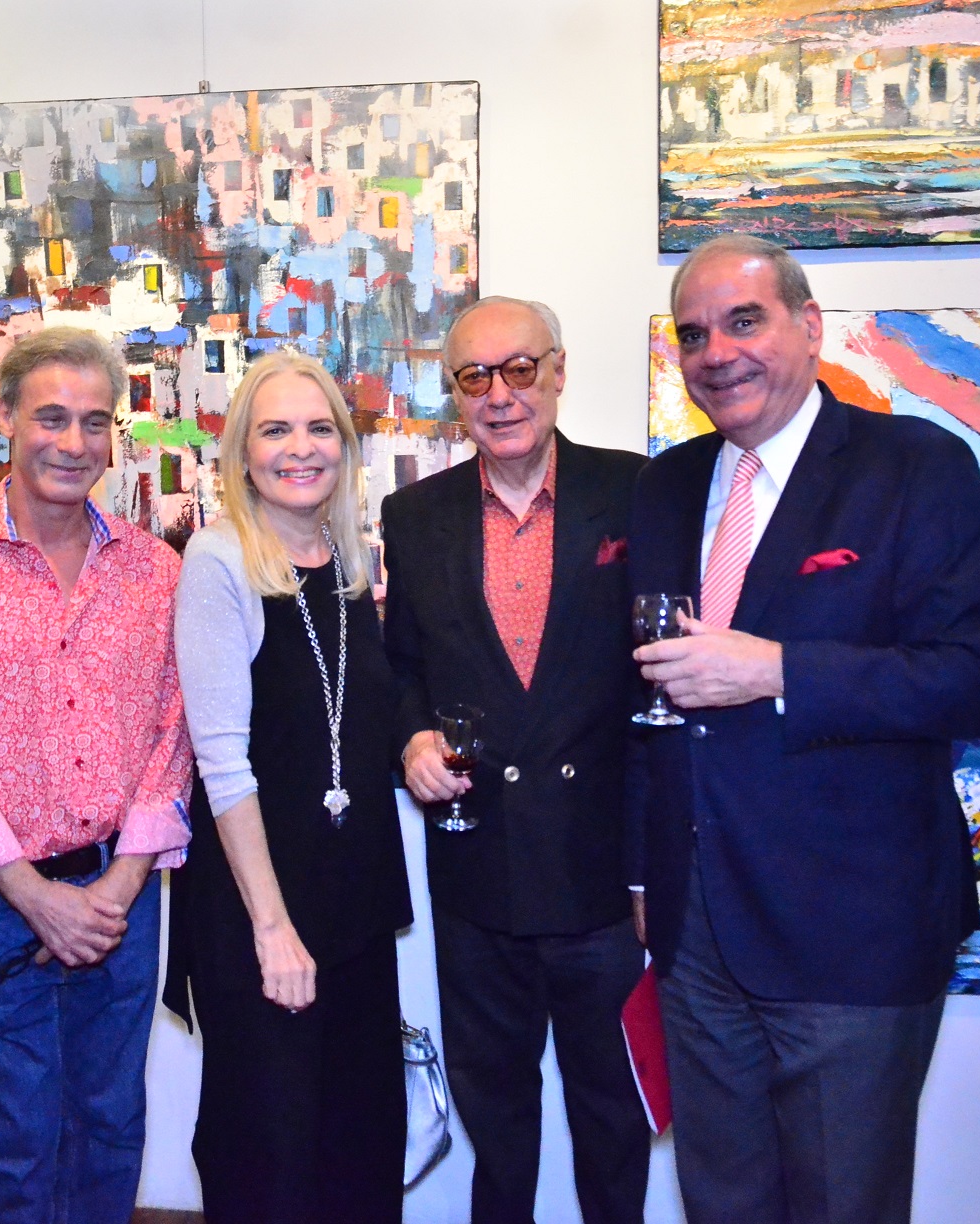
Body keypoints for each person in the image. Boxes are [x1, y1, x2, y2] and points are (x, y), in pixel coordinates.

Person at [627, 235, 980, 1223]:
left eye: (744, 321)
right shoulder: (665, 488)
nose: (717, 352)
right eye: (693, 334)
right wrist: (642, 879)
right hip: (696, 937)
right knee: (721, 1204)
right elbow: (644, 709)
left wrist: (777, 670)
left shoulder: (915, 467)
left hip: (854, 936)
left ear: (809, 327)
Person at [0, 327, 192, 1224]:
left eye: (94, 422)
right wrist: (31, 893)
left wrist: (119, 887)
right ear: (5, 420)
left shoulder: (157, 572)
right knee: (16, 1141)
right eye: (51, 417)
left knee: (112, 1124)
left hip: (122, 899)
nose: (73, 442)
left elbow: (173, 730)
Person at [383, 297, 650, 1223]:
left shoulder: (636, 491)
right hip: (478, 875)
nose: (500, 395)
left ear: (558, 370)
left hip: (603, 880)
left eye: (520, 369)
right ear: (454, 394)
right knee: (497, 1127)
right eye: (474, 377)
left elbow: (661, 685)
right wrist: (411, 738)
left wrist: (654, 869)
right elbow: (402, 670)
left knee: (614, 1122)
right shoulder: (414, 516)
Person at [165, 351, 412, 1223]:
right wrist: (272, 931)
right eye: (275, 430)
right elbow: (222, 763)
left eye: (318, 429)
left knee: (360, 1146)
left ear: (345, 446)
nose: (300, 449)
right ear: (242, 451)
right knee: (270, 1157)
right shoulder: (219, 560)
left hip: (350, 904)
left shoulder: (348, 560)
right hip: (259, 910)